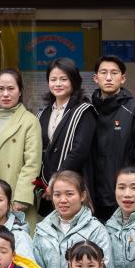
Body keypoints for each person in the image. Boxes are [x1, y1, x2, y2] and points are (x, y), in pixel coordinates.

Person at [32, 170, 113, 268]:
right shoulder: (42, 230)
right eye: (57, 195)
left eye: (69, 194)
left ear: (82, 196)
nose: (63, 200)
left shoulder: (96, 230)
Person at [89, 55, 135, 222]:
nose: (108, 77)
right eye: (104, 72)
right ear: (95, 78)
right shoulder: (88, 110)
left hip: (125, 196)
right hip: (93, 197)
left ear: (123, 78)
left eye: (114, 73)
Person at [37, 58, 95, 216]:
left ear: (74, 81)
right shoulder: (43, 113)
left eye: (63, 79)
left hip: (73, 185)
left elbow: (79, 151)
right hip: (47, 189)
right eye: (53, 79)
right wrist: (45, 184)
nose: (58, 84)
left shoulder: (84, 111)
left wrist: (56, 182)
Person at [0, 69, 42, 229]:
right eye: (0, 88)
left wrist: (22, 197)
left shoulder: (29, 121)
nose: (5, 94)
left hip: (16, 195)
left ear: (20, 91)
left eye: (11, 88)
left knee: (19, 239)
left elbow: (32, 163)